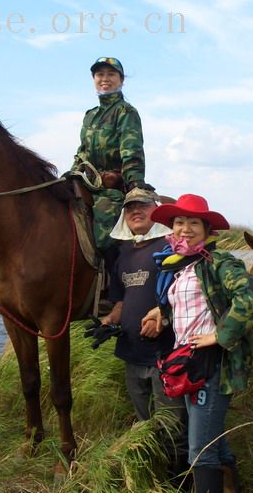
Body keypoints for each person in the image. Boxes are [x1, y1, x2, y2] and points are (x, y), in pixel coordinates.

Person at [141, 194, 253, 493]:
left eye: (193, 222)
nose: (185, 228)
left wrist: (219, 336)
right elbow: (196, 305)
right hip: (189, 363)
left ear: (207, 229)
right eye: (179, 222)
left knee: (200, 450)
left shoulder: (218, 262)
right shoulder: (184, 265)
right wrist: (163, 312)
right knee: (215, 443)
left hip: (212, 367)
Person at [93, 187, 190, 487]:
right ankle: (153, 479)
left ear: (156, 210)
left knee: (173, 428)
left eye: (143, 205)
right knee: (145, 425)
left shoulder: (172, 246)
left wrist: (163, 315)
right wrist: (108, 321)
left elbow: (188, 295)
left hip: (166, 355)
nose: (136, 211)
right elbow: (122, 302)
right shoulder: (123, 254)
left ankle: (180, 483)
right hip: (132, 355)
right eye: (130, 206)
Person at [71, 57, 152, 259]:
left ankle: (111, 277)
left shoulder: (126, 112)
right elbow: (82, 151)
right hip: (87, 182)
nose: (105, 79)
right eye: (100, 74)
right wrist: (72, 173)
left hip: (111, 189)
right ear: (94, 79)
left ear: (121, 80)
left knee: (103, 237)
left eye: (111, 74)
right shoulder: (90, 115)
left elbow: (131, 150)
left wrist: (134, 186)